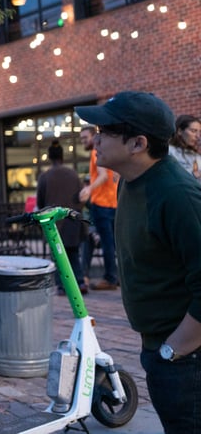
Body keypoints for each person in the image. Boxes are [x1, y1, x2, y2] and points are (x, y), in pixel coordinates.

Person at [75, 91, 201, 434]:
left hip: (185, 359)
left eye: (105, 132)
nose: (96, 140)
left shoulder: (178, 195)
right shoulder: (129, 183)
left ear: (138, 143)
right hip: (160, 347)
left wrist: (173, 351)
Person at [36, 140, 87, 294]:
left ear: (49, 157)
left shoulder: (44, 177)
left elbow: (40, 202)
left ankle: (62, 286)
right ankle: (80, 282)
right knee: (73, 254)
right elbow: (81, 198)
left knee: (58, 256)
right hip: (72, 221)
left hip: (54, 223)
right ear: (62, 157)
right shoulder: (73, 174)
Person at [79, 125, 121, 290]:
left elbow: (103, 176)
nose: (83, 141)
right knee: (113, 243)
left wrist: (89, 189)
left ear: (94, 136)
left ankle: (110, 278)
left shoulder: (97, 152)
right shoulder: (110, 153)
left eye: (85, 138)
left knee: (107, 243)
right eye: (81, 138)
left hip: (102, 204)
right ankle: (116, 276)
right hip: (113, 203)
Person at [168, 114, 201, 182]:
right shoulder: (169, 151)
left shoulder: (197, 156)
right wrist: (194, 174)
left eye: (199, 132)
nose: (198, 136)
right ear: (180, 131)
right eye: (193, 131)